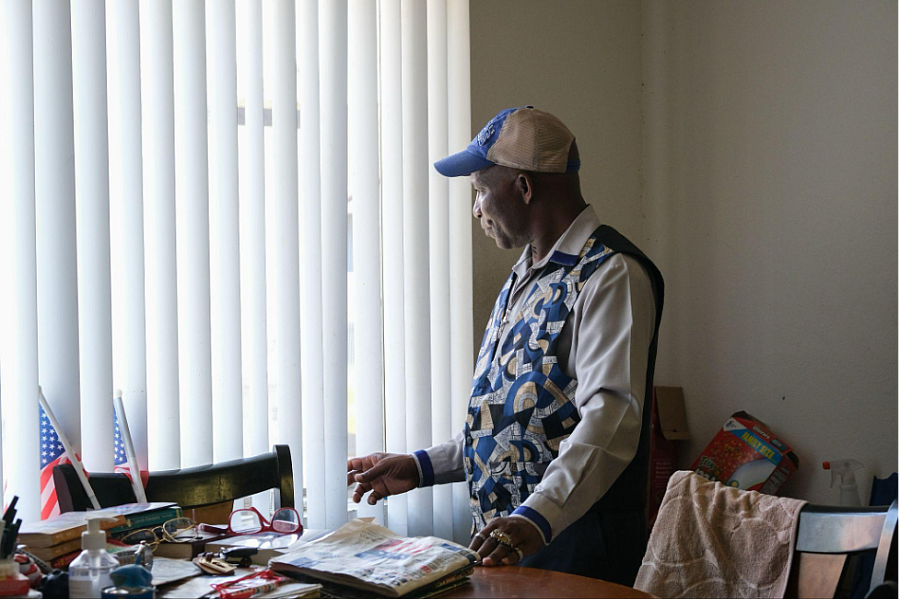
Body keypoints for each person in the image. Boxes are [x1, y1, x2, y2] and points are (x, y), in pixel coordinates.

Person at [346, 106, 664, 585]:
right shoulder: (526, 275)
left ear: (523, 187)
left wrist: (538, 516)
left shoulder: (610, 274)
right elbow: (510, 422)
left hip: (577, 553)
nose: (476, 210)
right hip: (514, 547)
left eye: (479, 191)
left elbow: (611, 419)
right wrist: (420, 466)